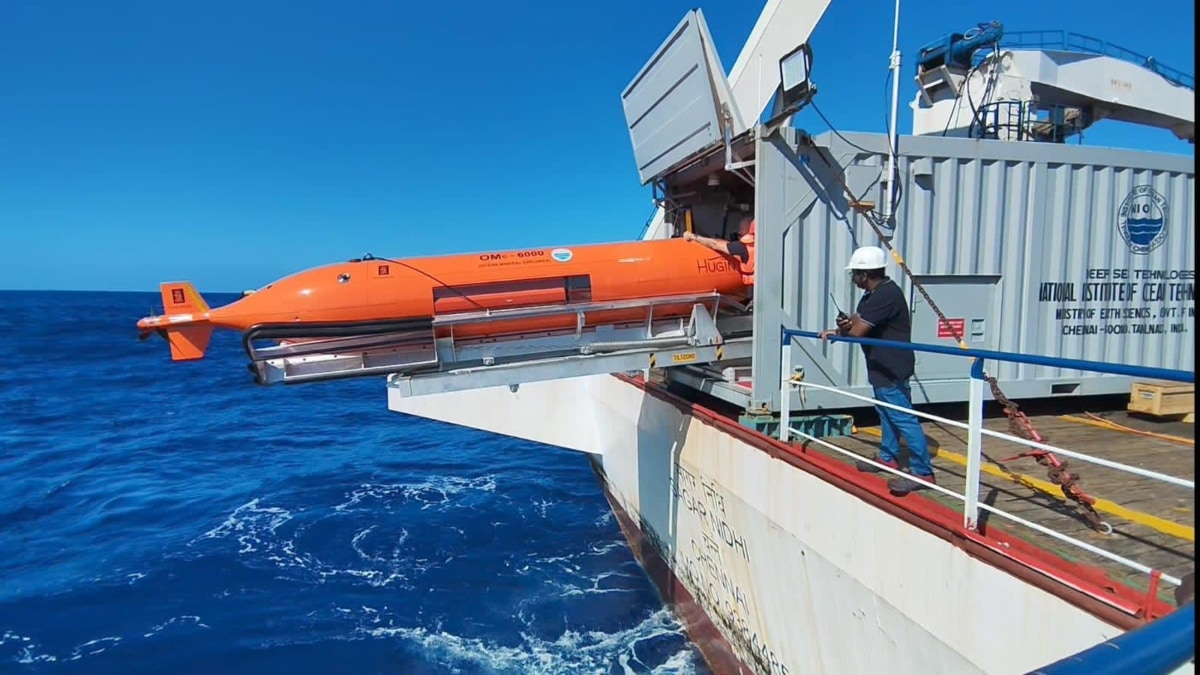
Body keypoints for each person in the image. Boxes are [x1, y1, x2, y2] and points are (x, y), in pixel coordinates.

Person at [819, 245, 934, 496]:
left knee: (903, 416)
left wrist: (847, 329)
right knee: (885, 411)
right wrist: (840, 328)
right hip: (881, 365)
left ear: (865, 274)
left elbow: (859, 331)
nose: (853, 279)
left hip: (892, 366)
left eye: (855, 274)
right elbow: (858, 323)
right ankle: (888, 457)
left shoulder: (885, 295)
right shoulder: (873, 295)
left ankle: (923, 472)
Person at [683, 214, 756, 288]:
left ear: (749, 229)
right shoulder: (762, 245)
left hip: (752, 290)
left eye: (741, 229)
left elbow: (714, 244)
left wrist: (693, 236)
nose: (739, 232)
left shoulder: (742, 247)